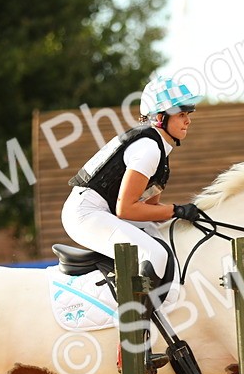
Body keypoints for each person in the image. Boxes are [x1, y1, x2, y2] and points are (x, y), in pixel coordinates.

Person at [61, 74, 203, 287]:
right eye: (182, 114)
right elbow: (126, 210)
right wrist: (176, 210)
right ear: (160, 118)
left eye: (188, 113)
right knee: (155, 254)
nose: (188, 120)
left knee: (165, 241)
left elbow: (148, 210)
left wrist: (183, 215)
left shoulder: (160, 153)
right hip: (86, 213)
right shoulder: (149, 149)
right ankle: (134, 318)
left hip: (103, 211)